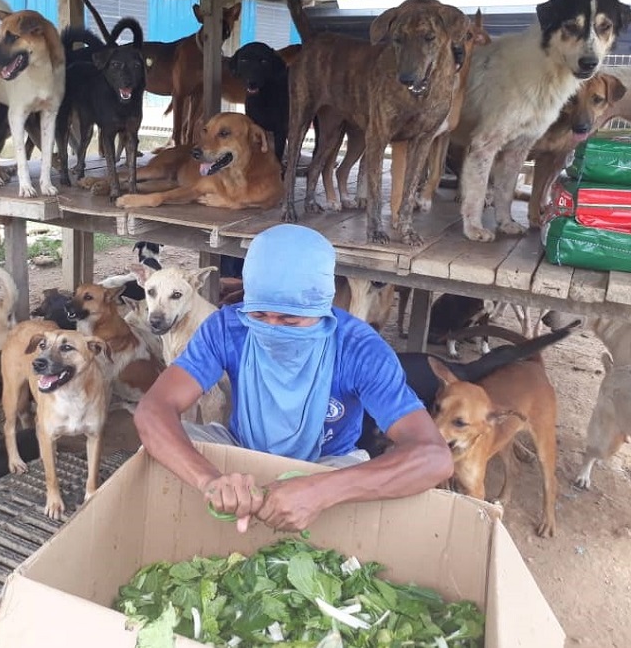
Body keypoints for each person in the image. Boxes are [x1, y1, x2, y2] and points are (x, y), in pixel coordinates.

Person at [134, 224, 453, 533]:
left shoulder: (359, 349)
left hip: (326, 465)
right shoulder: (227, 327)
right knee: (163, 450)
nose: (272, 327)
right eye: (260, 315)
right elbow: (154, 410)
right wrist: (209, 480)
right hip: (241, 449)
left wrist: (321, 490)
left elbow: (433, 457)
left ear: (322, 305)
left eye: (289, 318)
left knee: (373, 499)